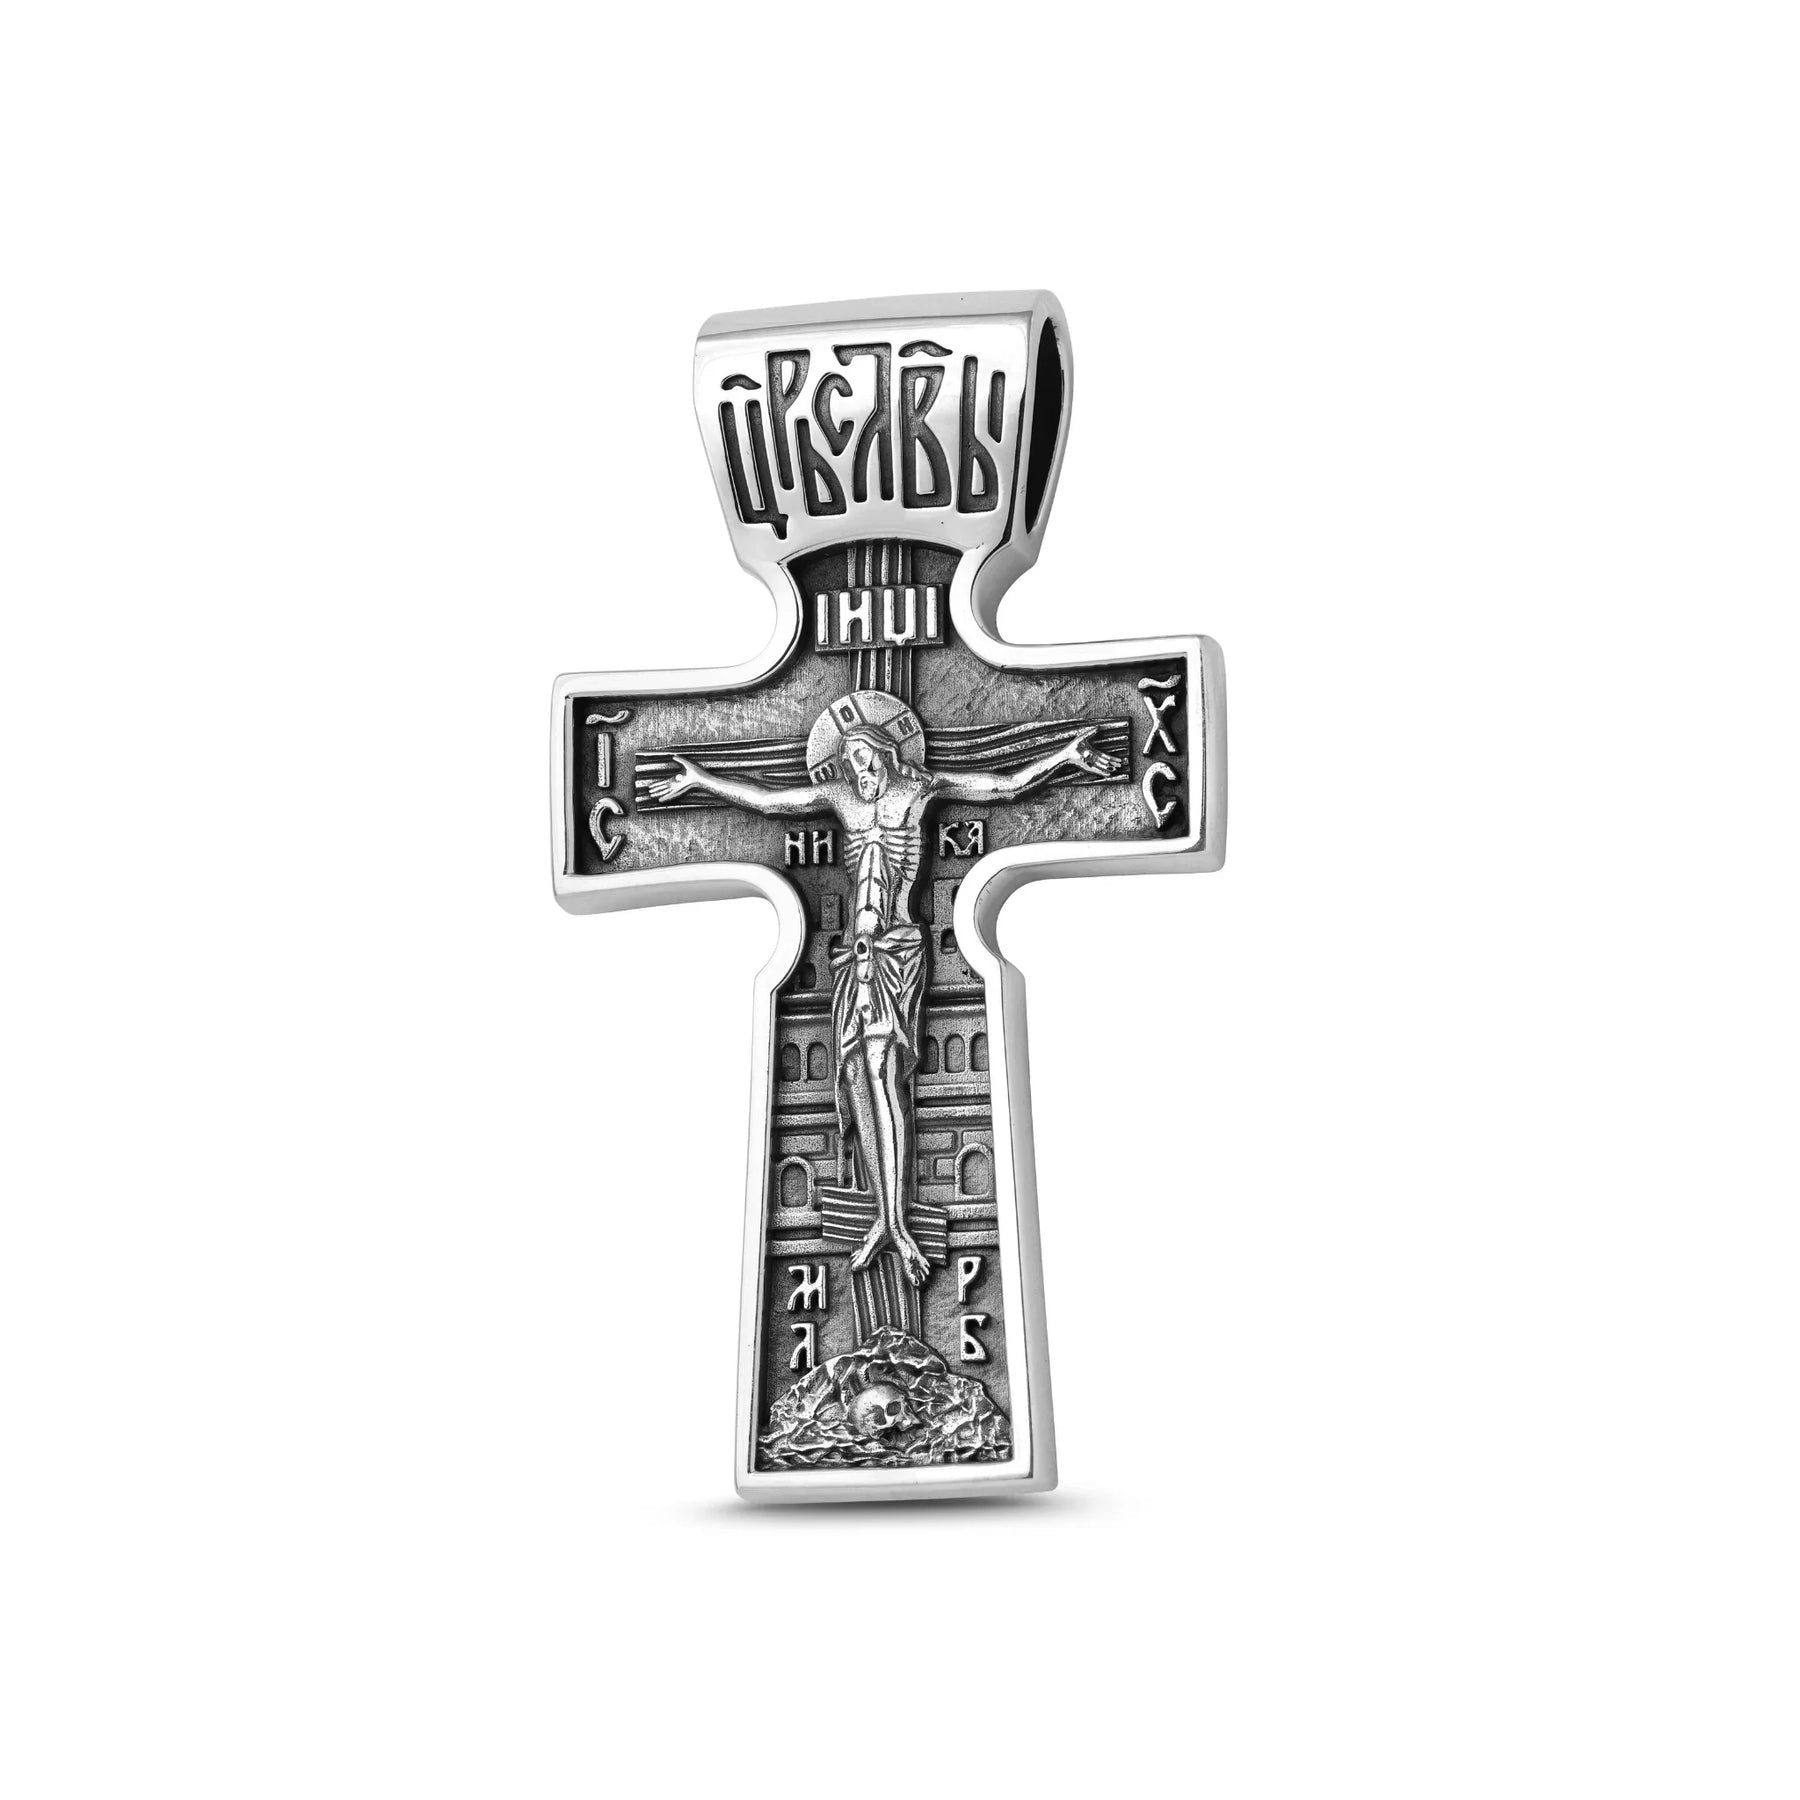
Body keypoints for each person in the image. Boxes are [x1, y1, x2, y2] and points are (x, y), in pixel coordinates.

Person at [645, 692, 1122, 1286]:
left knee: (881, 1071)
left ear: (887, 754)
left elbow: (1002, 787)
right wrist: (702, 780)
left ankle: (896, 1223)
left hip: (896, 949)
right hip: (854, 956)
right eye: (850, 763)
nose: (859, 771)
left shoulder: (918, 790)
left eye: (865, 759)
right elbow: (768, 801)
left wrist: (1065, 757)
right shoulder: (841, 798)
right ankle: (884, 1217)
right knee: (854, 1078)